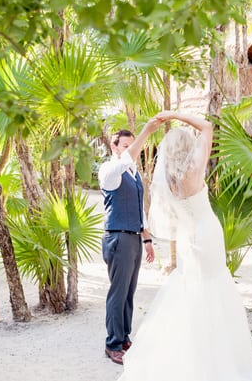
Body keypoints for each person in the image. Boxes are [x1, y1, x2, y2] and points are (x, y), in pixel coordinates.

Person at [118, 111, 252, 381]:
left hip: (189, 238)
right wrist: (173, 115)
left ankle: (190, 356)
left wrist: (162, 122)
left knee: (191, 292)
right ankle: (217, 361)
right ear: (188, 148)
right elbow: (207, 126)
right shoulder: (194, 169)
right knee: (214, 288)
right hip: (207, 233)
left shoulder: (169, 180)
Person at [99, 119, 160, 365]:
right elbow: (125, 161)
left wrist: (146, 239)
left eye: (132, 145)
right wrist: (147, 130)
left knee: (128, 293)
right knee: (118, 292)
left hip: (133, 238)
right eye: (126, 145)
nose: (131, 149)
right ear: (114, 147)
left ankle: (124, 338)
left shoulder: (134, 175)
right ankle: (112, 344)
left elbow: (139, 210)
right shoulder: (109, 170)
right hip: (117, 237)